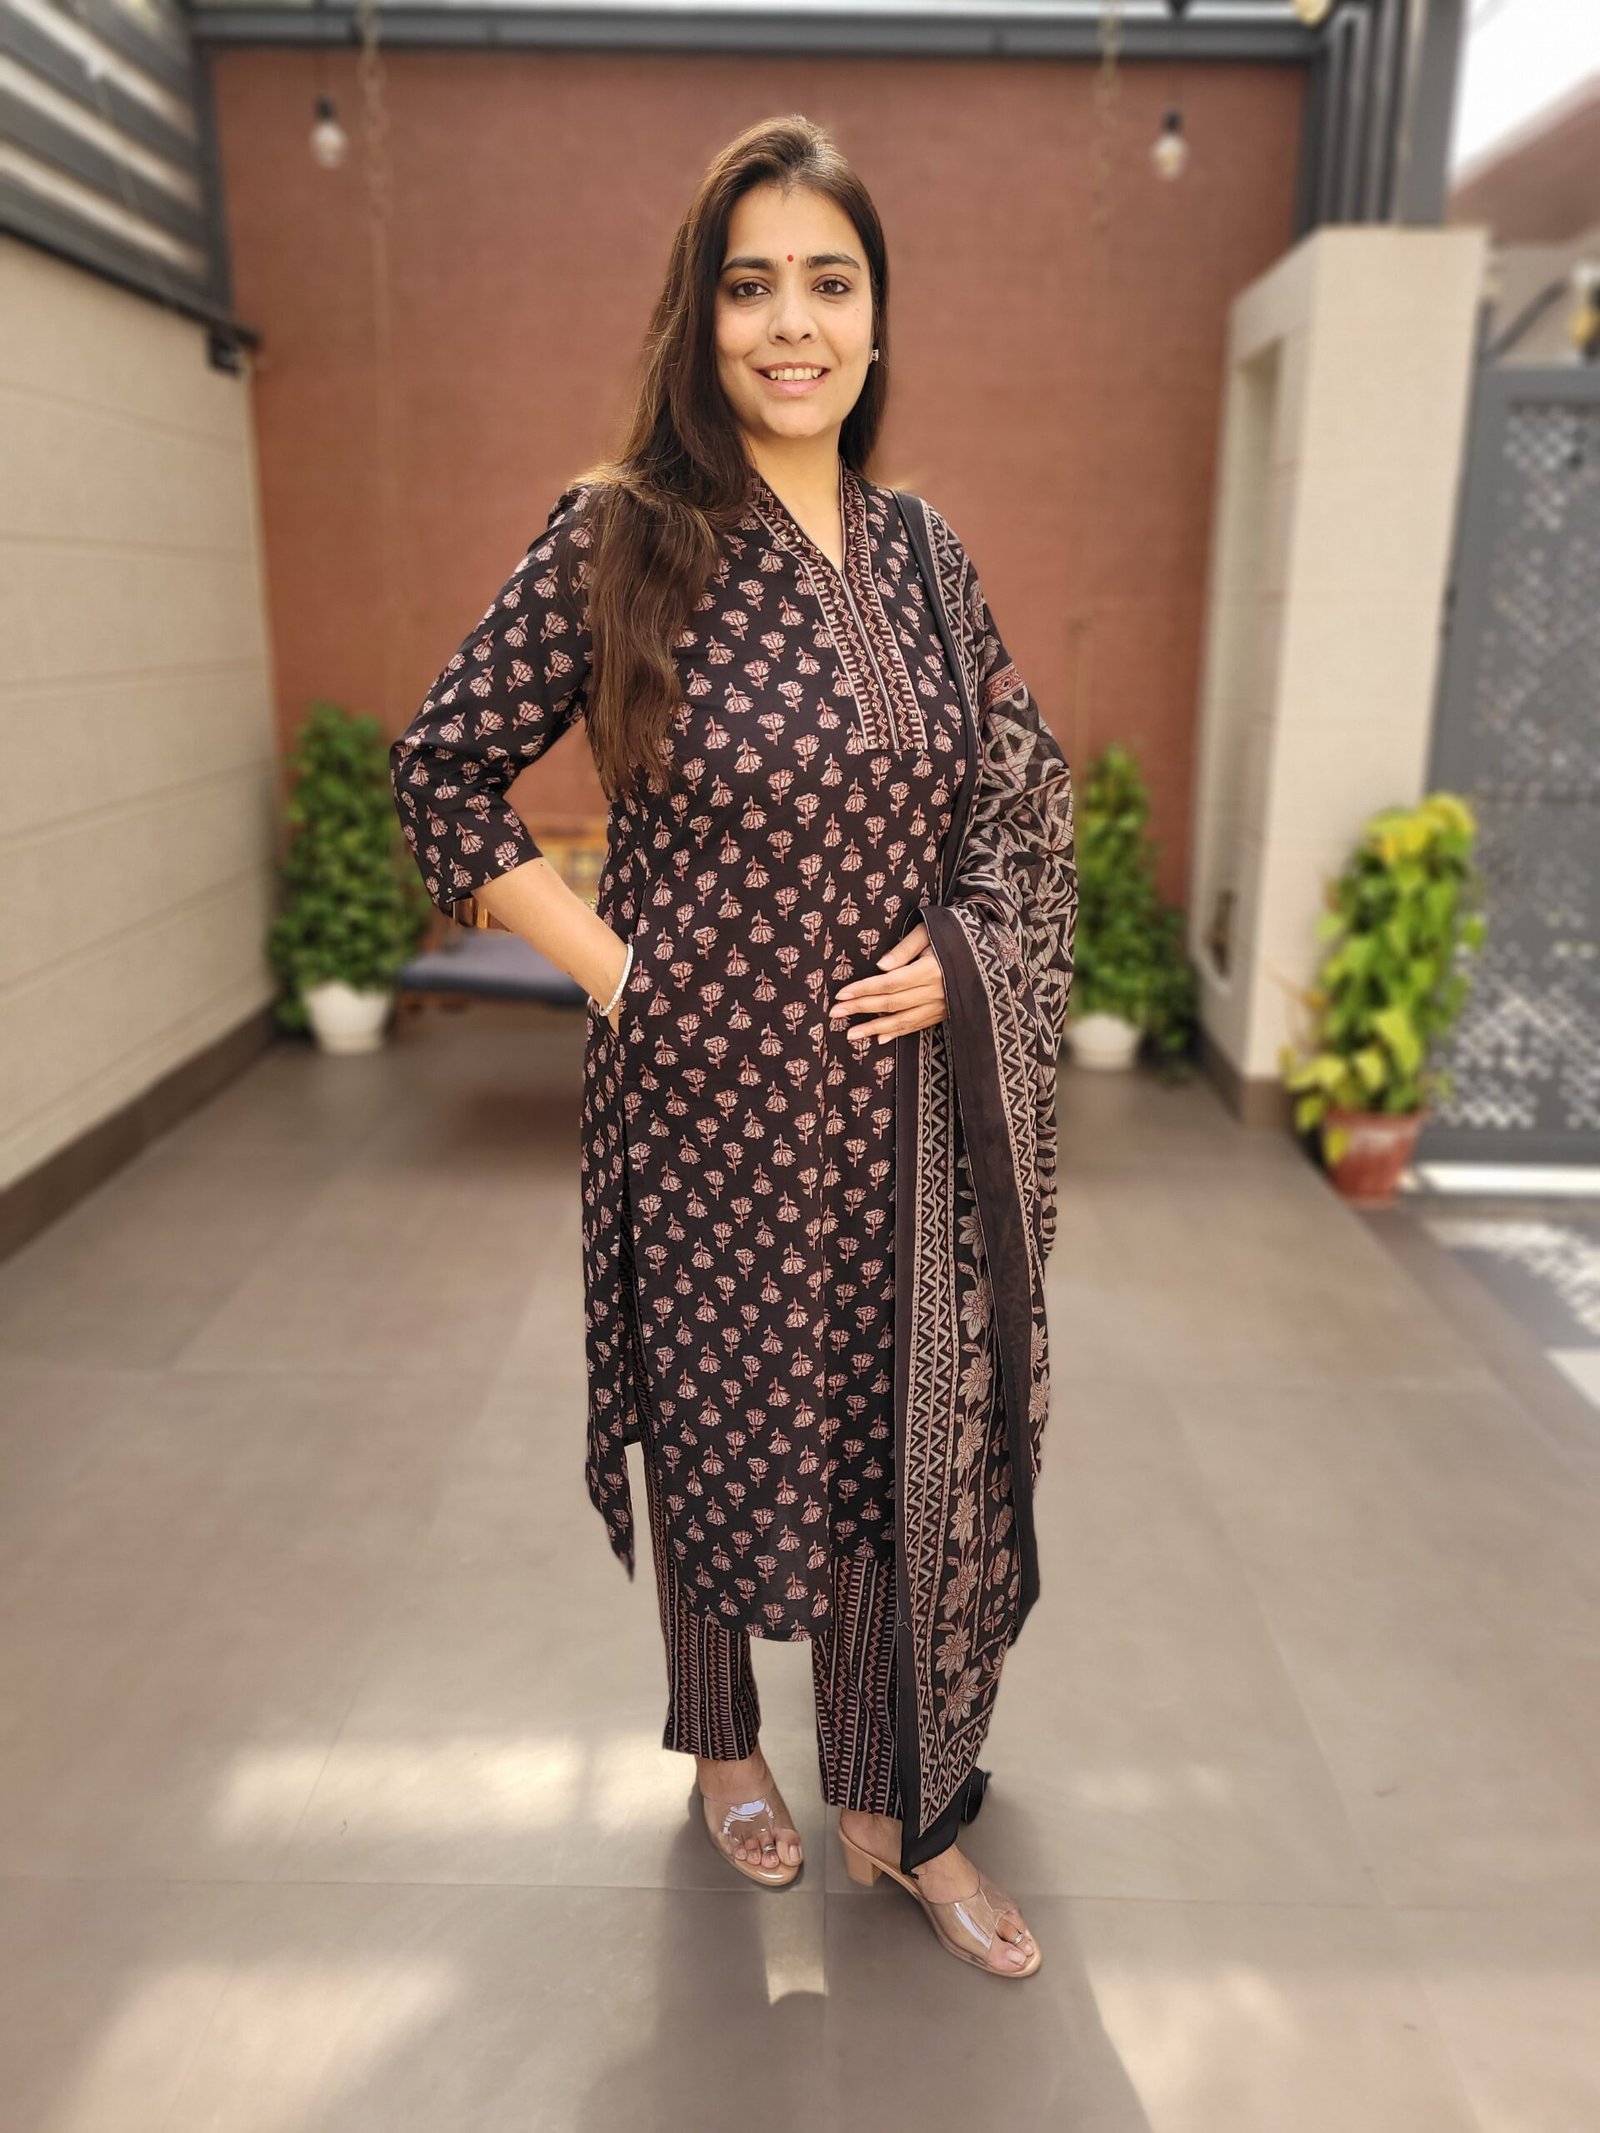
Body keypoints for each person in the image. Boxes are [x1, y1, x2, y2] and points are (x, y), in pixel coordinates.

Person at [389, 114, 1077, 1980]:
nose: (792, 324)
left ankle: (894, 1799)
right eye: (751, 284)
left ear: (876, 318)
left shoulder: (926, 556)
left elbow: (1024, 801)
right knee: (714, 1430)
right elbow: (443, 770)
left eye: (828, 284)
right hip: (704, 1108)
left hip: (906, 1122)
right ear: (700, 318)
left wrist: (968, 953)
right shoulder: (622, 536)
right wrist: (621, 974)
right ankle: (723, 1747)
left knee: (882, 1444)